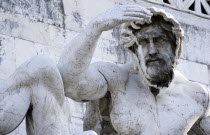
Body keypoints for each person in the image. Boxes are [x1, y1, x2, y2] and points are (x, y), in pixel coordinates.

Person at [57, 5, 210, 135]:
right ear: (134, 51)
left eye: (159, 40)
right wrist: (96, 26)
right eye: (143, 42)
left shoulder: (198, 96)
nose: (151, 50)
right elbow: (69, 83)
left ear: (176, 46)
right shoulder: (115, 79)